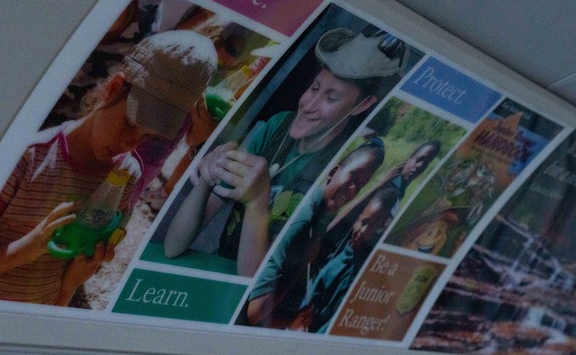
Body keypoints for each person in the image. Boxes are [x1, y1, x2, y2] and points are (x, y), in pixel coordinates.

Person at [0, 31, 217, 305]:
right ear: (113, 88)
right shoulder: (28, 159)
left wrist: (71, 284)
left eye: (148, 136)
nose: (130, 143)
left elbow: (62, 295)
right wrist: (24, 250)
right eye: (130, 123)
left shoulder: (128, 177)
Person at [162, 27, 407, 276]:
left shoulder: (339, 170)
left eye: (331, 97)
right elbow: (173, 247)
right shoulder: (277, 126)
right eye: (315, 88)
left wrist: (258, 201)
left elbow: (255, 285)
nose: (308, 105)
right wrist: (208, 177)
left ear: (362, 105)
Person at [245, 138, 386, 327]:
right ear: (333, 172)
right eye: (353, 176)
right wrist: (294, 320)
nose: (353, 190)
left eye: (360, 185)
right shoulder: (303, 221)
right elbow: (255, 312)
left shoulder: (319, 215)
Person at [286, 186, 401, 333]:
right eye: (364, 222)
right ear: (358, 218)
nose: (364, 231)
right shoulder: (343, 254)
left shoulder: (361, 272)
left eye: (375, 229)